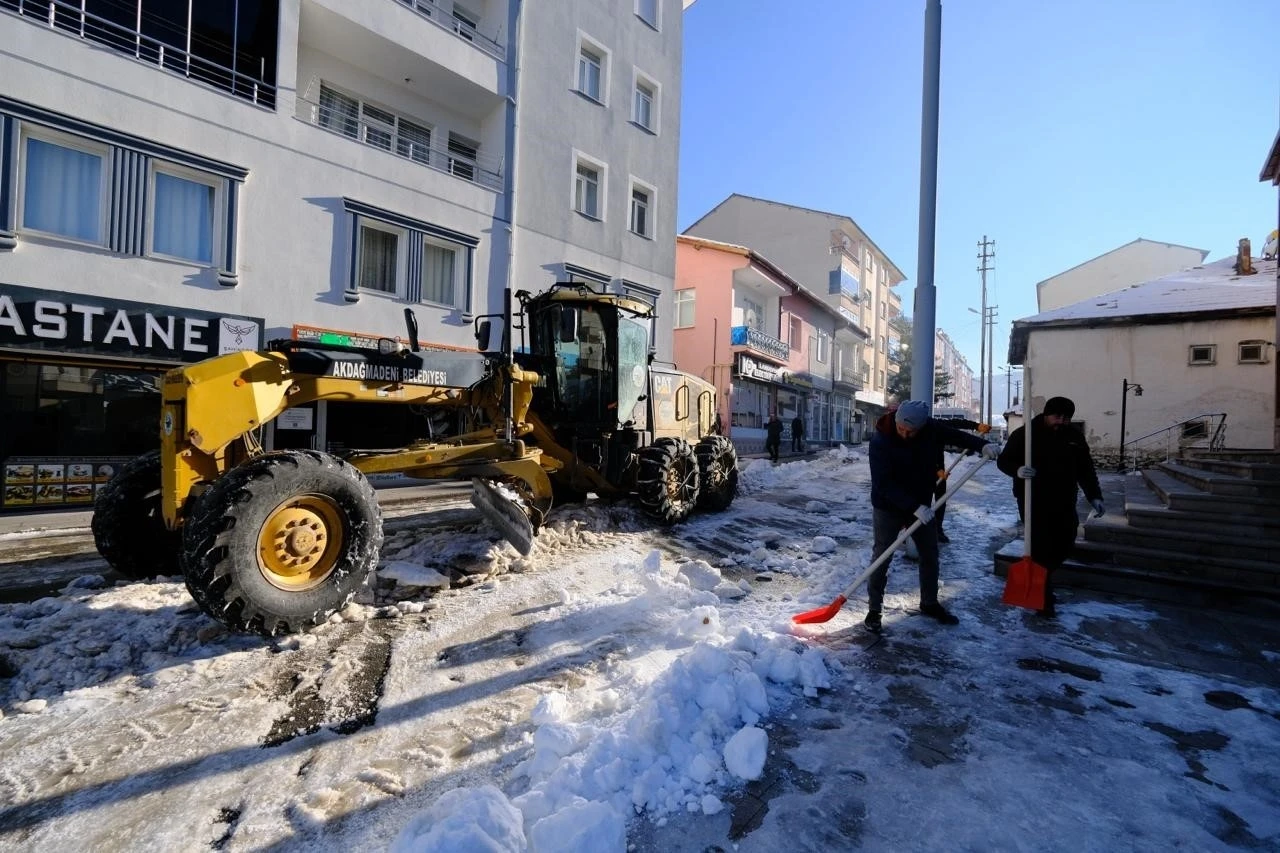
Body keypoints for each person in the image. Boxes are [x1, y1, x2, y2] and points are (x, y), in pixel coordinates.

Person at [866, 400, 1000, 632]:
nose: (906, 434)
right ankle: (874, 610)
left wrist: (983, 445)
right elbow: (882, 484)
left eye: (912, 431)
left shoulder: (930, 427)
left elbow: (958, 436)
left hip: (921, 502)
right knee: (882, 556)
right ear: (896, 421)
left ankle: (929, 602)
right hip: (888, 506)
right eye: (902, 430)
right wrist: (912, 507)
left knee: (930, 553)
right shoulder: (881, 440)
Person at [996, 396, 1104, 617]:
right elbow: (1003, 460)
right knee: (1040, 548)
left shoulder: (1074, 437)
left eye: (1066, 418)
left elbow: (1085, 468)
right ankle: (1043, 599)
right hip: (1033, 499)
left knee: (1065, 542)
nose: (1061, 421)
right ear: (1046, 414)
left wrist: (1094, 496)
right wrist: (1017, 470)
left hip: (1064, 499)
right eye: (1057, 416)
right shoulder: (1025, 435)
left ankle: (1042, 583)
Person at [931, 415, 990, 544]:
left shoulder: (937, 425)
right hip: (922, 470)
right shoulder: (913, 432)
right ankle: (911, 529)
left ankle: (938, 529)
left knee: (940, 499)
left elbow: (956, 424)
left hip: (939, 468)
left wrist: (976, 426)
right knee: (919, 500)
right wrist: (935, 469)